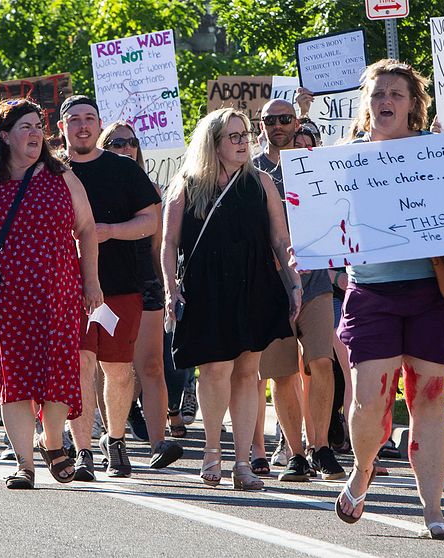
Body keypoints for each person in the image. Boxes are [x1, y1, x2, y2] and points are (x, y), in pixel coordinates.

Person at [334, 59, 444, 540]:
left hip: (435, 292)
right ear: (365, 105)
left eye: (396, 94)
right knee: (370, 402)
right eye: (377, 94)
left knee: (428, 401)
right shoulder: (341, 159)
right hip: (372, 292)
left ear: (413, 105)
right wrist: (308, 244)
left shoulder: (438, 154)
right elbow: (322, 223)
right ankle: (362, 470)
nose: (385, 101)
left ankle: (434, 511)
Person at [0, 98, 102, 489]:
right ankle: (24, 465)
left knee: (57, 372)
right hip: (3, 300)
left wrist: (92, 281)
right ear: (4, 135)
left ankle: (52, 441)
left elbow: (86, 229)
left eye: (38, 126)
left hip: (59, 293)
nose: (35, 133)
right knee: (13, 376)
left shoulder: (60, 174)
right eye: (26, 127)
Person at [163, 107, 300, 491]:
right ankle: (211, 452)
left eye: (245, 134)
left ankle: (242, 462)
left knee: (247, 371)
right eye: (234, 137)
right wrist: (171, 289)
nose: (244, 142)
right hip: (207, 287)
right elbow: (169, 243)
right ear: (214, 143)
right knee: (215, 371)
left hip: (255, 282)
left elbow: (280, 239)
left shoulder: (261, 182)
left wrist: (293, 283)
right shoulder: (186, 184)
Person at [56, 96, 166, 480]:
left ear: (98, 124)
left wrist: (108, 232)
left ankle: (115, 440)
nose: (82, 126)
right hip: (67, 289)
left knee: (118, 370)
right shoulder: (51, 171)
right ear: (61, 128)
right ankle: (83, 449)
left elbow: (151, 221)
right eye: (74, 120)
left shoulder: (122, 168)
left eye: (89, 119)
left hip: (121, 285)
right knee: (82, 365)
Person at [251, 99, 345, 482]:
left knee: (321, 361)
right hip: (270, 284)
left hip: (316, 278)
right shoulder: (250, 169)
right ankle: (295, 453)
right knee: (283, 372)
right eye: (270, 120)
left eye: (285, 118)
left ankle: (321, 446)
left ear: (298, 121)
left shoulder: (318, 165)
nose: (278, 125)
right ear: (262, 125)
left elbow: (341, 213)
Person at [97, 119, 185, 466]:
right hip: (102, 284)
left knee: (151, 366)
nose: (125, 148)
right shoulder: (91, 183)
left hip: (144, 282)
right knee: (110, 369)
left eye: (130, 142)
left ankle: (158, 443)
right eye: (116, 143)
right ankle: (111, 437)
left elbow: (159, 245)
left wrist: (167, 287)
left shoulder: (151, 190)